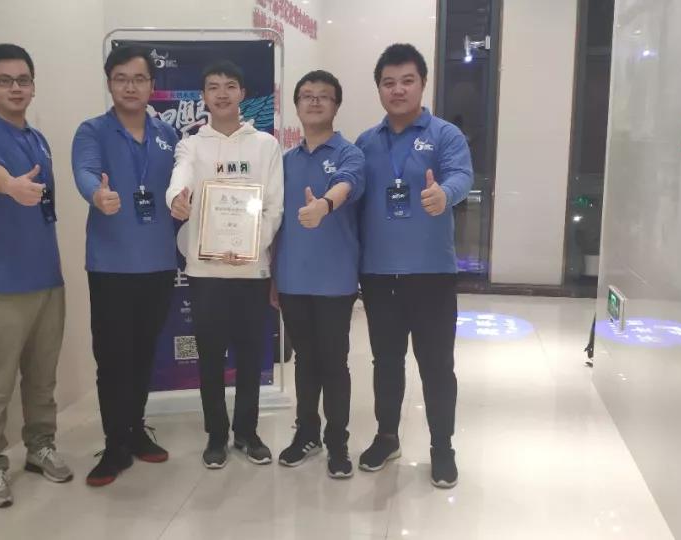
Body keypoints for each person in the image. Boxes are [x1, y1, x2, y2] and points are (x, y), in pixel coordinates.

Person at [354, 43, 474, 488]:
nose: (398, 90)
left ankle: (442, 447)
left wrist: (445, 194)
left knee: (436, 365)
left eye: (407, 81)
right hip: (378, 273)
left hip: (432, 274)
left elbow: (461, 175)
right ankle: (387, 438)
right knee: (386, 362)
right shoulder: (366, 142)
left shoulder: (445, 135)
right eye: (388, 82)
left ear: (423, 84)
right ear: (379, 89)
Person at [0, 43, 73, 508]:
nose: (15, 88)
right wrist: (11, 185)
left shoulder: (38, 139)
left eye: (23, 80)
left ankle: (40, 447)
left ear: (33, 85)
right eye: (4, 81)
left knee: (42, 378)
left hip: (47, 279)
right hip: (2, 286)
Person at [165, 60, 284, 469]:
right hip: (206, 272)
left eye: (230, 86)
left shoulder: (265, 145)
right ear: (203, 96)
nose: (221, 93)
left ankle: (247, 433)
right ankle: (216, 435)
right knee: (211, 357)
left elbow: (274, 206)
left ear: (242, 94)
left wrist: (251, 245)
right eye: (213, 86)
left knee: (251, 356)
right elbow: (179, 178)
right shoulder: (192, 145)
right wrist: (177, 199)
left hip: (251, 270)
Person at [70, 45, 179, 487]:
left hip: (159, 262)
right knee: (113, 358)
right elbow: (84, 171)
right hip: (111, 265)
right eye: (121, 78)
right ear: (109, 83)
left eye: (139, 78)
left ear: (152, 85)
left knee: (144, 352)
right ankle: (115, 443)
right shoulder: (93, 131)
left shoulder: (167, 135)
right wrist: (97, 194)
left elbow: (182, 184)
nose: (130, 87)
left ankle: (135, 430)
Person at [272, 70, 365, 479]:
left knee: (334, 362)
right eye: (306, 95)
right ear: (296, 105)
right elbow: (275, 222)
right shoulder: (284, 162)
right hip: (292, 278)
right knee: (305, 361)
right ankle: (306, 432)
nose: (314, 101)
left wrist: (324, 205)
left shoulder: (349, 153)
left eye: (323, 96)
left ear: (336, 105)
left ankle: (338, 441)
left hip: (335, 280)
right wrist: (273, 276)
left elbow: (347, 184)